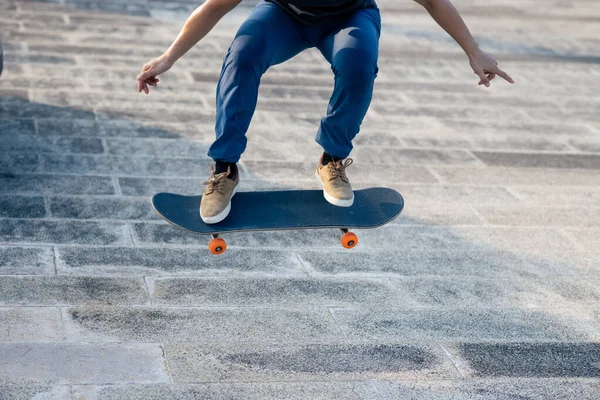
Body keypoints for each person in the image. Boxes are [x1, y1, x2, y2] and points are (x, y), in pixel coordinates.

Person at [137, 0, 513, 224]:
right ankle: (224, 168)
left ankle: (331, 159)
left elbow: (433, 1)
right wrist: (169, 56)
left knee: (358, 62)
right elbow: (216, 6)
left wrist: (473, 50)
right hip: (283, 15)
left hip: (350, 16)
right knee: (242, 55)